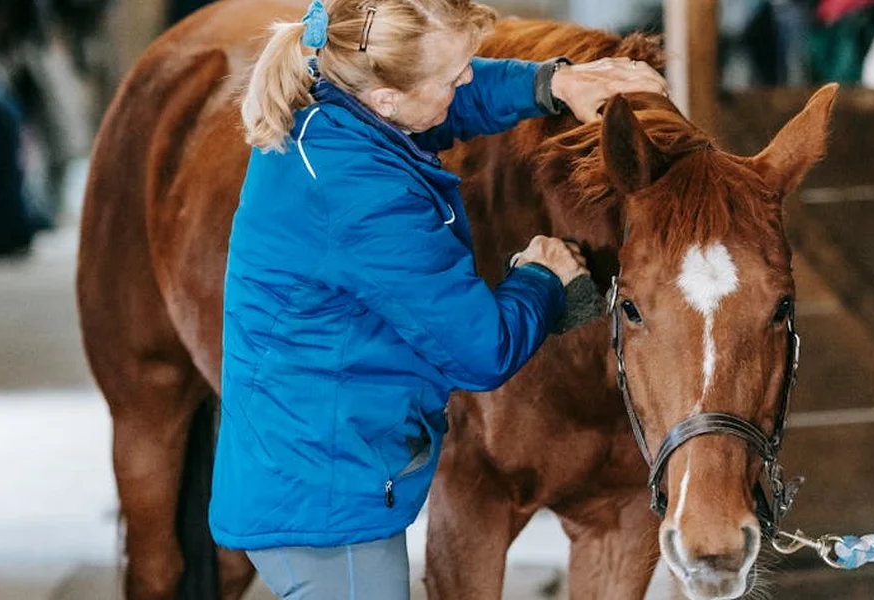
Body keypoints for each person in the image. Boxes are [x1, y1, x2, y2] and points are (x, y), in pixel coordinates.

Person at [210, 1, 669, 598]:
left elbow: (457, 101)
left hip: (313, 463)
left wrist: (553, 82)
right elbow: (481, 349)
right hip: (325, 506)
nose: (466, 81)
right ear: (387, 99)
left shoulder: (335, 108)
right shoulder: (366, 199)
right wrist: (543, 279)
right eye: (451, 75)